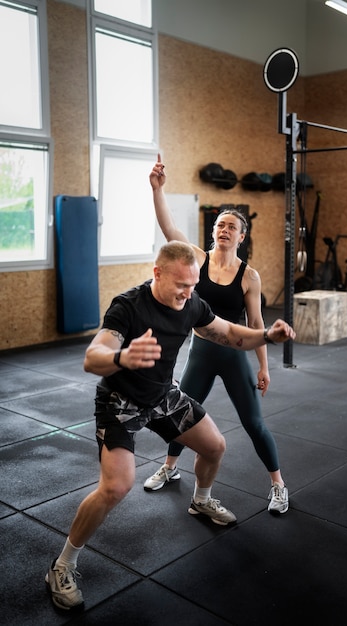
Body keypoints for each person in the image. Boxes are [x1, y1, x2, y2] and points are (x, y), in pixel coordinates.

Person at [45, 240, 295, 611]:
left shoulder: (192, 303)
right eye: (181, 285)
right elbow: (92, 358)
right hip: (120, 403)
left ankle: (201, 501)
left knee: (215, 446)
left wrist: (266, 337)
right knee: (117, 486)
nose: (187, 293)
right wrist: (122, 356)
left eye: (193, 285)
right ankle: (62, 565)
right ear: (157, 273)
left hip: (163, 396)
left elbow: (230, 333)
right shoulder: (128, 306)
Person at [144, 156, 289, 515]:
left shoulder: (249, 276)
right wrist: (157, 189)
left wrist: (264, 367)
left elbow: (256, 324)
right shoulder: (197, 259)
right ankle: (170, 467)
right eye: (220, 225)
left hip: (233, 354)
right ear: (214, 231)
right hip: (201, 352)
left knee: (253, 422)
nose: (224, 230)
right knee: (182, 416)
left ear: (242, 235)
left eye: (231, 227)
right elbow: (170, 230)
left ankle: (278, 485)